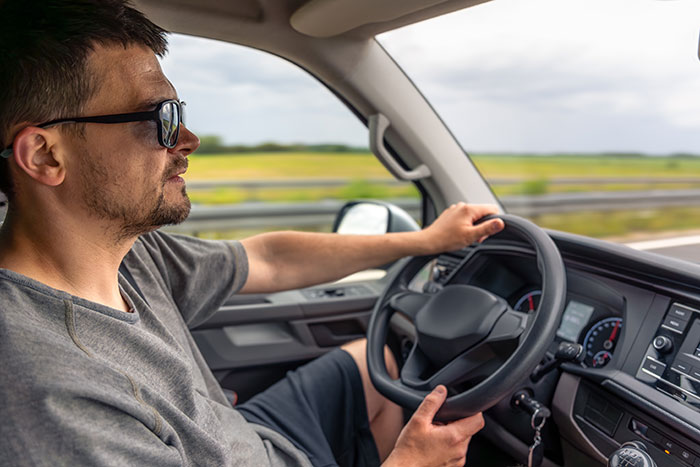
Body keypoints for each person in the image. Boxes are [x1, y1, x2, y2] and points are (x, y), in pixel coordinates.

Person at [0, 1, 505, 466]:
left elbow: (268, 259)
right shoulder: (52, 394)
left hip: (252, 440)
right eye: (160, 118)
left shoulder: (128, 251)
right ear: (46, 155)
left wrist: (426, 241)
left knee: (376, 364)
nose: (189, 141)